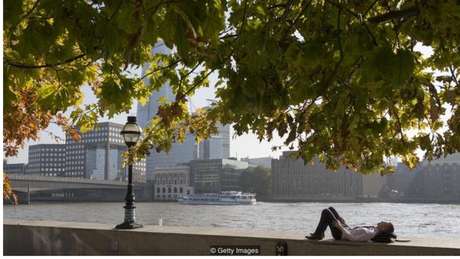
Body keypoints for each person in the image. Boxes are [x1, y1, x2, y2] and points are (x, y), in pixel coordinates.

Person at [305, 207, 397, 243]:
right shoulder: (373, 228)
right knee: (331, 209)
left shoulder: (370, 233)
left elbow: (352, 238)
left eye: (384, 222)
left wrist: (340, 226)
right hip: (345, 228)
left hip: (340, 234)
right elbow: (354, 230)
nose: (382, 221)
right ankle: (319, 233)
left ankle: (319, 234)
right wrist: (344, 223)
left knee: (326, 212)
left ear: (384, 228)